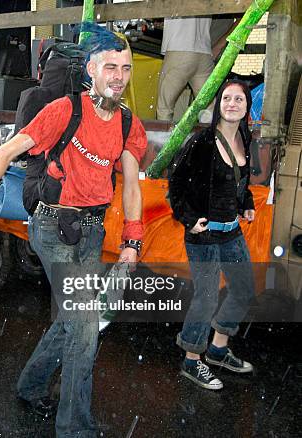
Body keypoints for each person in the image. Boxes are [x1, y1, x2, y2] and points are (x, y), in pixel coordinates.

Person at [0, 25, 146, 437]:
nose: (118, 75)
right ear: (92, 70)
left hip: (92, 231)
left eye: (126, 68)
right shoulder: (64, 110)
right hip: (50, 226)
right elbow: (5, 152)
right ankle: (75, 428)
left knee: (70, 321)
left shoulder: (128, 124)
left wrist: (133, 240)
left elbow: (132, 185)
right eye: (110, 67)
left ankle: (30, 386)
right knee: (84, 325)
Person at [169, 79, 256, 390]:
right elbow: (175, 182)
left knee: (243, 289)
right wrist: (188, 219)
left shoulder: (246, 140)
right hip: (203, 237)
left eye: (239, 100)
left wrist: (247, 203)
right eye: (227, 98)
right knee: (206, 300)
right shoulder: (202, 143)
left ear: (247, 107)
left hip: (232, 233)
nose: (232, 104)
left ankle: (218, 350)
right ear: (219, 104)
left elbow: (240, 184)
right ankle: (192, 361)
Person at [156, 17, 215, 121]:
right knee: (208, 109)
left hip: (179, 47)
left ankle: (163, 137)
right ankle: (209, 136)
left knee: (165, 108)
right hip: (204, 51)